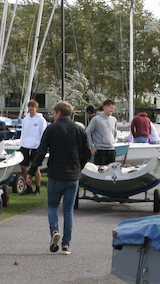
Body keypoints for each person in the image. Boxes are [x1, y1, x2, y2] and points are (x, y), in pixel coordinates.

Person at [26, 100, 90, 256]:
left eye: (54, 113)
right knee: (68, 210)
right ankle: (66, 244)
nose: (53, 116)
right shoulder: (79, 130)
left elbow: (40, 153)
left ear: (59, 113)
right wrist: (79, 166)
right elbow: (87, 153)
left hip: (55, 174)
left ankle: (54, 230)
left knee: (53, 206)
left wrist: (31, 171)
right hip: (73, 176)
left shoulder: (51, 129)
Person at [17, 99, 47, 194]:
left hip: (36, 146)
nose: (31, 109)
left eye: (33, 107)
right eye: (29, 107)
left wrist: (42, 146)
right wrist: (22, 143)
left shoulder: (41, 120)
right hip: (25, 146)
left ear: (36, 108)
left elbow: (43, 133)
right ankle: (28, 186)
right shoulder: (25, 120)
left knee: (35, 167)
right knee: (23, 166)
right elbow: (23, 132)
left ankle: (37, 188)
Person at [85, 99, 118, 166]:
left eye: (113, 108)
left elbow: (115, 133)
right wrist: (91, 147)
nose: (112, 110)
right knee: (100, 171)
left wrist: (113, 141)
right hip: (100, 150)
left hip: (111, 149)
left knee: (111, 171)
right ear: (105, 107)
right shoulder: (96, 119)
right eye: (111, 108)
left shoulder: (114, 120)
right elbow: (87, 132)